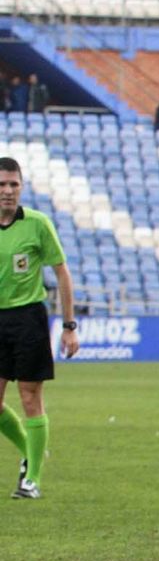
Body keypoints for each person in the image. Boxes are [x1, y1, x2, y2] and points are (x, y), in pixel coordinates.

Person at [0, 157, 78, 499]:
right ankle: (30, 452)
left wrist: (69, 326)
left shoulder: (37, 224)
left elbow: (62, 272)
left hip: (28, 318)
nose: (7, 191)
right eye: (2, 184)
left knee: (30, 396)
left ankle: (31, 480)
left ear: (21, 187)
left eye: (13, 184)